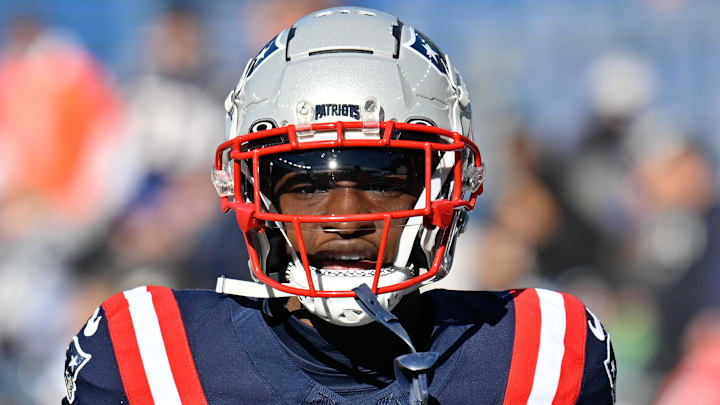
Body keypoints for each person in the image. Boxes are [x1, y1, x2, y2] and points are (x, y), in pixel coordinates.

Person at [63, 7, 616, 404]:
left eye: (382, 182)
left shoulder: (539, 355)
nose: (347, 217)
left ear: (446, 186)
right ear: (249, 191)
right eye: (308, 187)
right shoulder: (147, 358)